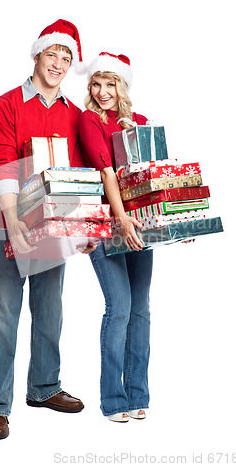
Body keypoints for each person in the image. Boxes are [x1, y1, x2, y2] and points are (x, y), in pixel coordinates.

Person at [0, 20, 87, 441]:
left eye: (67, 57)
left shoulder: (74, 115)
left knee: (50, 310)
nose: (59, 63)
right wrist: (13, 225)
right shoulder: (6, 105)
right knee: (3, 315)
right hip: (8, 225)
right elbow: (3, 167)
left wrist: (80, 229)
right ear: (37, 55)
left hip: (55, 229)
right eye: (52, 54)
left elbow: (80, 179)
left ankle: (44, 388)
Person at [78, 52, 153, 422]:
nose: (103, 91)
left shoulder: (139, 122)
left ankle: (139, 395)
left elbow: (154, 175)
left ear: (122, 85)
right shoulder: (89, 119)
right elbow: (106, 171)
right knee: (119, 307)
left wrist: (177, 222)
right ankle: (114, 400)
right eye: (97, 84)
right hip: (107, 222)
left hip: (142, 225)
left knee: (140, 310)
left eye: (110, 84)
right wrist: (121, 217)